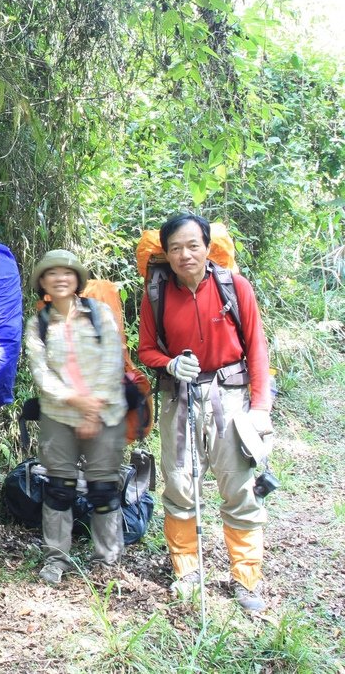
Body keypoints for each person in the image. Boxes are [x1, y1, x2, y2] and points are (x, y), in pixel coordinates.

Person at [138, 212, 273, 613]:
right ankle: (187, 572)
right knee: (179, 485)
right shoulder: (156, 293)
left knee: (238, 486)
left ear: (207, 246)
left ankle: (246, 578)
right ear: (166, 252)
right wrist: (168, 364)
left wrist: (261, 407)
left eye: (192, 245)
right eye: (175, 248)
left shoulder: (235, 287)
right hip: (179, 396)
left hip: (230, 396)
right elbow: (146, 348)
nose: (185, 255)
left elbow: (257, 348)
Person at [24, 250, 126, 585]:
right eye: (51, 273)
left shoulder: (99, 314)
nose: (60, 278)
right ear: (43, 282)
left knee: (103, 488)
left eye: (67, 272)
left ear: (77, 279)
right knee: (59, 488)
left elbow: (114, 361)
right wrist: (75, 401)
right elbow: (40, 372)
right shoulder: (38, 323)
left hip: (105, 411)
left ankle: (108, 561)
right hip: (58, 414)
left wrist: (92, 407)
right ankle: (56, 559)